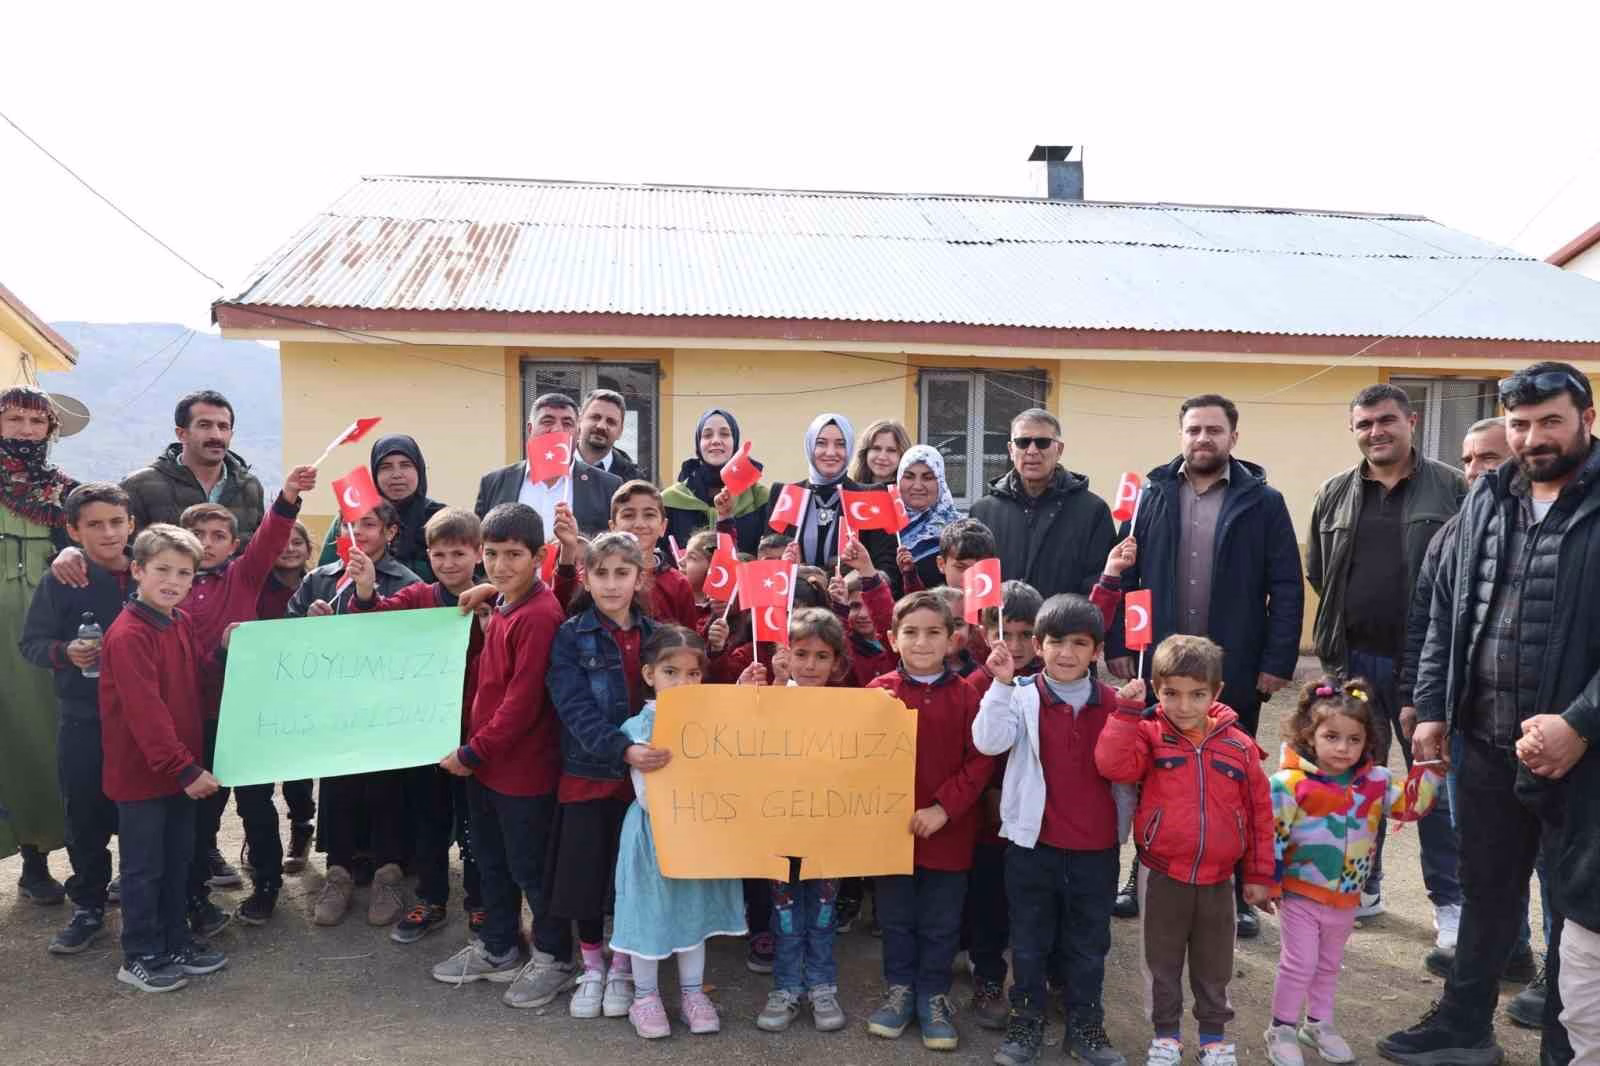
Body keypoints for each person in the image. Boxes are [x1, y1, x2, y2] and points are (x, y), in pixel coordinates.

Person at [1382, 362, 1599, 1066]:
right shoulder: (1487, 501)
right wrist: (1435, 709)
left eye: (1550, 421)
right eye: (1521, 423)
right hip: (1483, 741)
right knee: (1485, 890)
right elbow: (1449, 612)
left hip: (1581, 756)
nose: (1534, 437)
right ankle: (1464, 1025)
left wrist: (1581, 724)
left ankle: (1568, 1047)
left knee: (1575, 909)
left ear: (1586, 420)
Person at [1105, 393, 1305, 937]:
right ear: (1181, 435)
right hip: (1162, 667)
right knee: (1154, 773)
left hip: (1234, 665)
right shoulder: (1151, 496)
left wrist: (1277, 659)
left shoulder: (1264, 502)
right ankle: (1140, 875)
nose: (1203, 439)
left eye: (1214, 430)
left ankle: (1237, 889)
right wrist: (1121, 642)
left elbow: (1286, 585)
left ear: (1233, 438)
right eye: (1193, 430)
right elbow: (1126, 576)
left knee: (1231, 776)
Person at [1306, 383, 1463, 947]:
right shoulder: (1334, 493)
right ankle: (1361, 886)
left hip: (1426, 664)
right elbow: (1320, 571)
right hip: (1353, 664)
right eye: (1365, 423)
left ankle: (1449, 903)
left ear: (1411, 421)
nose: (1377, 431)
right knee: (1352, 780)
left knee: (1432, 783)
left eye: (1387, 420)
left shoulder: (1451, 487)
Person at [973, 543, 1138, 1066]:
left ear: (1095, 650)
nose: (1065, 653)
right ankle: (1026, 1025)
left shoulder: (1115, 703)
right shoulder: (1019, 695)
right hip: (1032, 845)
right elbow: (987, 742)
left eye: (1078, 643)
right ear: (1038, 647)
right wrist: (999, 686)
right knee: (1028, 942)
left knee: (1090, 945)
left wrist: (1136, 713)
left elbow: (1133, 769)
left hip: (1095, 850)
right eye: (1054, 643)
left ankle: (1086, 1028)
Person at [1397, 418, 1543, 994]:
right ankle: (1509, 953)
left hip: (1545, 730)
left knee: (1552, 862)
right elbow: (1428, 624)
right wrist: (1422, 701)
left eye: (1488, 457)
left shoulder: (1554, 528)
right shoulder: (1456, 533)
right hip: (1469, 722)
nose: (1476, 470)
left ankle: (1557, 977)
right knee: (1485, 855)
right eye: (1466, 459)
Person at [1095, 635, 1276, 1066]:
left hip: (1219, 880)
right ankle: (1167, 1036)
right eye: (1171, 693)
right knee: (1161, 963)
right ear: (1157, 689)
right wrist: (1125, 712)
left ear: (1215, 694)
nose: (1183, 705)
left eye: (1197, 695)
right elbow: (1112, 764)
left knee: (1215, 965)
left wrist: (1259, 876)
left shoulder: (1240, 745)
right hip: (1162, 876)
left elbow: (1260, 814)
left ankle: (1213, 1038)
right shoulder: (1149, 734)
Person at [429, 504, 569, 999]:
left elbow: (523, 702)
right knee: (491, 861)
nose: (501, 565)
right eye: (492, 554)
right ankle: (500, 946)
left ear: (539, 557)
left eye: (514, 555)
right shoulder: (506, 602)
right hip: (489, 770)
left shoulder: (540, 616)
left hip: (522, 773)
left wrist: (473, 751)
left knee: (531, 867)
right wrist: (491, 591)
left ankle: (554, 957)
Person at [1266, 678, 1442, 1066]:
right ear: (1309, 735)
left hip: (1347, 898)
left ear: (1367, 741)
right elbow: (1271, 837)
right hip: (1299, 894)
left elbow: (1412, 806)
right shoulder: (1289, 784)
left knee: (1329, 963)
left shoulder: (1376, 782)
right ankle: (1280, 1028)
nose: (1343, 748)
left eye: (1354, 739)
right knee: (1299, 963)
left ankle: (1318, 1024)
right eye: (1332, 737)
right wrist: (1266, 883)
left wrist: (1431, 767)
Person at [346, 507, 488, 944]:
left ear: (479, 553)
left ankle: (483, 904)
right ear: (428, 554)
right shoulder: (417, 598)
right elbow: (378, 626)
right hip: (425, 733)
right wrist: (366, 589)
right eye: (440, 554)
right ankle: (431, 899)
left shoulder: (495, 599)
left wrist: (490, 615)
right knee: (428, 820)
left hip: (474, 733)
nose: (449, 563)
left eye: (459, 553)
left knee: (477, 823)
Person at [98, 524, 227, 992]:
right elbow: (145, 713)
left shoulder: (179, 622)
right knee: (143, 867)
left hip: (179, 773)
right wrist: (183, 768)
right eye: (162, 570)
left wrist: (231, 653)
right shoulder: (129, 634)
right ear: (137, 571)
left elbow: (196, 679)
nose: (173, 581)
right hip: (143, 777)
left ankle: (175, 941)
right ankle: (140, 953)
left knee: (177, 860)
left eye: (184, 573)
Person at [864, 591, 994, 1052]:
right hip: (889, 834)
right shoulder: (877, 692)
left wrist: (944, 808)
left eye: (933, 632)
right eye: (911, 632)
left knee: (941, 922)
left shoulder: (968, 696)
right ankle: (899, 990)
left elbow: (982, 760)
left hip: (949, 832)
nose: (922, 642)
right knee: (896, 918)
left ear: (952, 638)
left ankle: (933, 995)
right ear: (892, 638)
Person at [290, 501, 422, 928]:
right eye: (352, 523)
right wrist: (307, 624)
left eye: (370, 524)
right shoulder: (320, 579)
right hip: (334, 709)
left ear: (390, 533)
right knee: (338, 787)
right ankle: (339, 873)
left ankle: (387, 875)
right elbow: (287, 635)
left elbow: (414, 645)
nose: (360, 531)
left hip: (385, 710)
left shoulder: (407, 581)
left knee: (386, 789)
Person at [610, 624, 747, 1039]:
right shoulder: (638, 728)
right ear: (650, 674)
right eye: (671, 672)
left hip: (699, 835)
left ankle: (692, 993)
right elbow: (651, 796)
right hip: (655, 836)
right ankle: (645, 997)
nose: (684, 682)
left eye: (693, 674)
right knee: (648, 912)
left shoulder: (712, 722)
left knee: (693, 913)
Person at [543, 532, 659, 1018]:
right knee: (587, 878)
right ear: (585, 578)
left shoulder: (657, 635)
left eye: (622, 573)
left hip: (644, 784)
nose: (612, 584)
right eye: (602, 573)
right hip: (590, 775)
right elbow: (573, 707)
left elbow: (684, 690)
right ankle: (592, 966)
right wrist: (622, 749)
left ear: (639, 578)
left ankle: (625, 967)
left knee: (631, 878)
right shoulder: (571, 635)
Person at [20, 483, 135, 954]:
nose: (108, 533)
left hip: (143, 721)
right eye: (94, 525)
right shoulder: (62, 578)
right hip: (84, 718)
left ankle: (143, 896)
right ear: (72, 530)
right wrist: (66, 651)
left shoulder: (151, 569)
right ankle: (88, 904)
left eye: (116, 522)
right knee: (84, 814)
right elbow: (31, 643)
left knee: (143, 813)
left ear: (132, 523)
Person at [746, 607, 855, 1034]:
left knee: (824, 915)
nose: (810, 665)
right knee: (786, 916)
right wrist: (759, 690)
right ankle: (787, 988)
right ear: (783, 655)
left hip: (829, 836)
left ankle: (823, 986)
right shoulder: (766, 698)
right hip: (779, 836)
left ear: (836, 662)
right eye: (801, 653)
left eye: (822, 656)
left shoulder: (851, 708)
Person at [0, 385, 76, 901]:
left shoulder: (69, 495)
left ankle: (47, 856)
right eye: (14, 420)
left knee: (52, 742)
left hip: (50, 640)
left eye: (36, 421)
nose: (26, 430)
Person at [962, 578, 1044, 1031]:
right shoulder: (976, 682)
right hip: (990, 817)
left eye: (1024, 635)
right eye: (1004, 634)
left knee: (1033, 901)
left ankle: (1040, 977)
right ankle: (987, 976)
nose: (1014, 646)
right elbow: (978, 752)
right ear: (984, 630)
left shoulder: (1052, 680)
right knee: (989, 898)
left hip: (1036, 814)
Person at [970, 408, 1115, 600]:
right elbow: (973, 585)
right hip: (1001, 627)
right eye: (1022, 442)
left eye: (1042, 443)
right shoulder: (982, 512)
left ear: (1059, 450)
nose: (1032, 451)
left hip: (1064, 627)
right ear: (1011, 450)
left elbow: (1098, 581)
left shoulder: (1093, 511)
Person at [739, 413, 896, 578]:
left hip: (853, 599)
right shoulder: (785, 494)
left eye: (840, 444)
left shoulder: (870, 495)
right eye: (821, 443)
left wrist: (858, 576)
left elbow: (887, 569)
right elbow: (769, 557)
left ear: (849, 448)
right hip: (798, 600)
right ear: (809, 446)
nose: (830, 452)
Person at [122, 390, 266, 544]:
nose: (216, 435)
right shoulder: (140, 486)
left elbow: (258, 552)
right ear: (182, 434)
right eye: (204, 425)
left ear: (231, 434)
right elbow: (126, 553)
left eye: (223, 427)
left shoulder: (249, 487)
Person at [256, 519, 317, 876]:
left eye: (298, 542)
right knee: (262, 770)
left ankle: (301, 828)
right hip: (264, 686)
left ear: (309, 548)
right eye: (282, 543)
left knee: (298, 767)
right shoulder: (257, 586)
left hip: (304, 690)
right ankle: (260, 838)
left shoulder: (322, 582)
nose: (290, 548)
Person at [475, 393, 621, 537]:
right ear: (530, 429)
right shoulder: (493, 483)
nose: (557, 429)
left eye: (567, 423)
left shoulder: (607, 486)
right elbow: (479, 544)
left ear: (577, 432)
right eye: (547, 421)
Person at [552, 483, 698, 628]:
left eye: (649, 515)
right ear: (613, 527)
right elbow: (564, 608)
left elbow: (690, 641)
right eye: (628, 515)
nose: (639, 524)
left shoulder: (678, 585)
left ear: (663, 527)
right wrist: (568, 547)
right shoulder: (596, 575)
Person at [316, 434, 444, 582]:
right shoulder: (353, 516)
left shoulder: (439, 517)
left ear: (419, 470)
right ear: (375, 474)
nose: (397, 475)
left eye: (406, 465)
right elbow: (327, 575)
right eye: (386, 467)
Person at [662, 408, 771, 554]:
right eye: (707, 435)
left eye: (725, 434)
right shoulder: (670, 499)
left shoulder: (759, 498)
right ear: (698, 446)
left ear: (735, 443)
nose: (715, 441)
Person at [894, 445, 964, 591]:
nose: (917, 486)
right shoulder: (885, 527)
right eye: (909, 477)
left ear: (940, 482)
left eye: (928, 477)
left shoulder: (960, 532)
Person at [576, 388, 642, 482]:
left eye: (611, 422)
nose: (601, 426)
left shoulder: (635, 481)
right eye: (595, 417)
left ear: (620, 431)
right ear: (579, 421)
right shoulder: (552, 466)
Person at [850, 419, 912, 486]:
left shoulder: (909, 494)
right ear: (865, 452)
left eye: (891, 450)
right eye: (876, 448)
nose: (882, 457)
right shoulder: (849, 490)